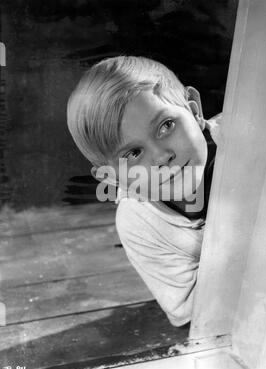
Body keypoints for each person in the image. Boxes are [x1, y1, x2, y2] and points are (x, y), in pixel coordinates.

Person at [67, 56, 223, 327]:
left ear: (195, 111)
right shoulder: (139, 221)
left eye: (166, 126)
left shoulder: (251, 140)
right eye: (134, 153)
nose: (162, 157)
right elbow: (195, 312)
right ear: (112, 177)